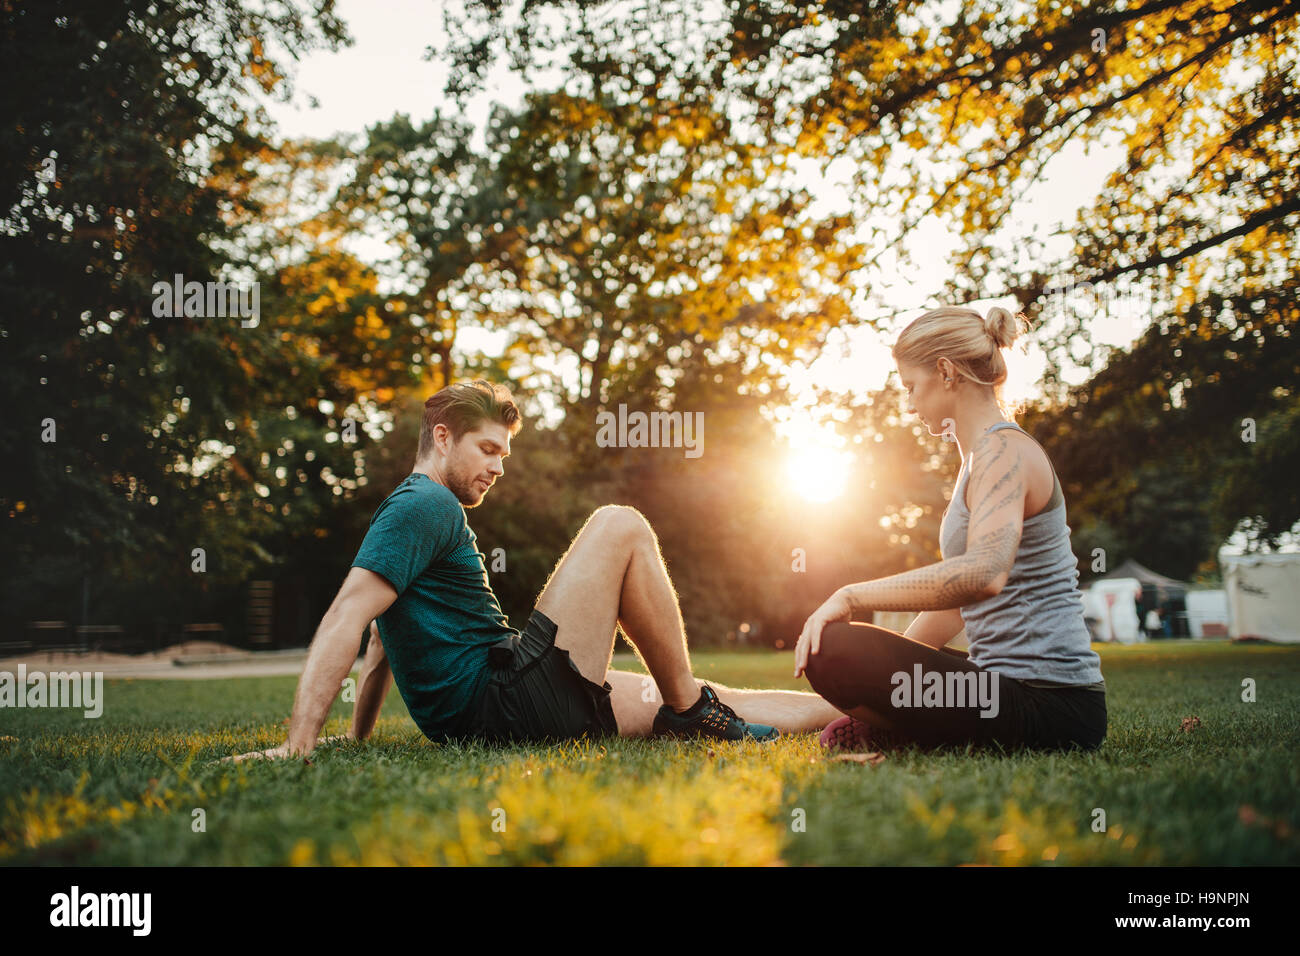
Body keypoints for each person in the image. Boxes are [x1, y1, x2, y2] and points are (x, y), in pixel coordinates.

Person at [229, 380, 840, 760]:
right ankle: (688, 712)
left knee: (719, 699)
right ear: (442, 438)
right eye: (488, 450)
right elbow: (347, 616)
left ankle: (868, 715)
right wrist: (298, 745)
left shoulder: (416, 513)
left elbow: (381, 641)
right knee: (620, 524)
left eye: (505, 454)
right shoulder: (425, 504)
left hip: (510, 697)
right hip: (507, 702)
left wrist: (358, 738)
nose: (499, 467)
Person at [794, 306, 1107, 753]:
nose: (909, 404)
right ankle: (904, 725)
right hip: (1002, 689)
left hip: (1053, 707)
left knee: (832, 648)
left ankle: (902, 731)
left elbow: (982, 575)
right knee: (842, 650)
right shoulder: (979, 459)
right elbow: (957, 604)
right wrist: (889, 671)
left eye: (911, 387)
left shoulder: (1003, 453)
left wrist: (850, 596)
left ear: (945, 372)